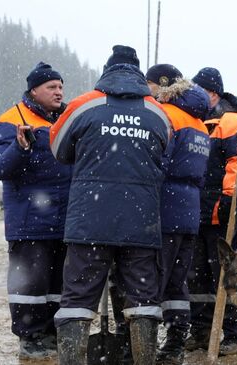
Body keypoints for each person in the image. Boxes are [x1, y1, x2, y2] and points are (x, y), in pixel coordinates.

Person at [49, 45, 171, 365]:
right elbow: (164, 155)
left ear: (106, 70)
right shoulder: (157, 112)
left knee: (77, 298)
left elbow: (58, 148)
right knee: (143, 299)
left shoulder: (82, 106)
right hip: (141, 220)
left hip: (90, 219)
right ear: (139, 73)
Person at [0, 62, 71, 360]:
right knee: (30, 284)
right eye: (51, 86)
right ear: (34, 90)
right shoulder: (12, 119)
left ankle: (50, 331)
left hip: (63, 221)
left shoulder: (66, 120)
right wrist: (19, 148)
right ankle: (30, 335)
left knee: (57, 283)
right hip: (29, 221)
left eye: (60, 86)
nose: (58, 91)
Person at [144, 64, 211, 365]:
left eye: (148, 84)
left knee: (154, 279)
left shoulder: (167, 115)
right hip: (189, 210)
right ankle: (174, 344)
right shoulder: (199, 122)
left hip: (165, 207)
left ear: (160, 85)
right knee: (177, 282)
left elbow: (158, 162)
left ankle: (143, 344)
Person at [186, 67, 237, 355]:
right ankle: (200, 328)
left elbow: (236, 163)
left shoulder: (231, 121)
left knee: (226, 275)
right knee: (196, 276)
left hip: (218, 215)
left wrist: (226, 200)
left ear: (212, 92)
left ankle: (235, 333)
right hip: (196, 214)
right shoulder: (198, 120)